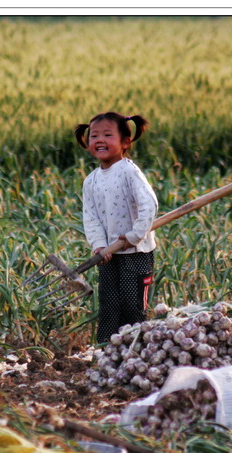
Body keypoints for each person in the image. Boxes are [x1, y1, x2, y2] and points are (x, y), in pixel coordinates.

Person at [75, 112, 159, 344]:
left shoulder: (129, 171)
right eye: (94, 135)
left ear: (125, 142)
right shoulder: (90, 181)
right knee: (109, 306)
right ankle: (106, 351)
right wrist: (99, 245)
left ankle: (137, 351)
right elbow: (90, 217)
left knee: (133, 306)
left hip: (136, 252)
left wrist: (134, 235)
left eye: (107, 135)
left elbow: (149, 204)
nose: (99, 139)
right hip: (109, 256)